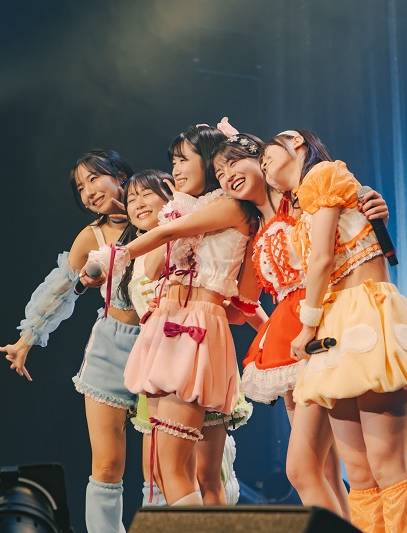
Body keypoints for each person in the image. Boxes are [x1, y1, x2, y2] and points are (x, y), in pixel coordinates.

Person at [260, 129, 407, 532]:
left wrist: (307, 325)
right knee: (359, 473)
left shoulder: (323, 174)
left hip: (364, 313)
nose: (264, 165)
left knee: (387, 465)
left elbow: (322, 259)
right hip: (337, 324)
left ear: (295, 141)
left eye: (266, 154)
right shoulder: (304, 205)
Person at [83, 125, 260, 507]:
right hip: (169, 324)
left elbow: (169, 236)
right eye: (173, 161)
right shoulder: (190, 212)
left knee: (180, 468)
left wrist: (111, 257)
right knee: (165, 472)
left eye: (183, 159)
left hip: (195, 326)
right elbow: (153, 269)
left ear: (209, 161)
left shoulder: (230, 207)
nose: (176, 168)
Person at [0, 148, 141, 533]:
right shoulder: (90, 236)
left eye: (94, 178)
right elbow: (60, 291)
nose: (88, 191)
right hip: (110, 348)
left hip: (159, 345)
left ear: (121, 175)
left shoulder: (156, 214)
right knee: (107, 466)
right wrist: (27, 339)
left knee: (164, 464)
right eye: (80, 187)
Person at [122, 169, 243, 507]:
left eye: (147, 194)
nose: (138, 203)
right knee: (162, 472)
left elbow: (236, 297)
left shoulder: (198, 231)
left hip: (195, 343)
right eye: (131, 199)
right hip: (160, 349)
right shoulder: (163, 240)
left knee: (207, 474)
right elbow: (150, 273)